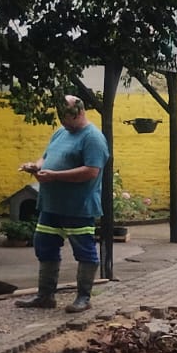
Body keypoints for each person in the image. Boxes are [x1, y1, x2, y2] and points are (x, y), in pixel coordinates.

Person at [15, 95, 110, 313]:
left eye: (65, 117)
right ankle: (45, 296)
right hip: (51, 205)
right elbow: (46, 156)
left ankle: (84, 297)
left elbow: (91, 171)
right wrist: (36, 166)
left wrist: (55, 176)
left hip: (78, 207)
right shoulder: (60, 132)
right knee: (44, 245)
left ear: (79, 113)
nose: (62, 121)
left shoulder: (93, 137)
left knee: (84, 250)